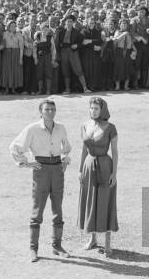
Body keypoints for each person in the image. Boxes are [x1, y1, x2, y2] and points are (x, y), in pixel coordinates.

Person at [9, 99, 72, 263]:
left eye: (52, 109)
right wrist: (26, 163)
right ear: (41, 112)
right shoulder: (32, 129)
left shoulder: (61, 128)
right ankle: (33, 248)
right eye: (47, 110)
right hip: (41, 170)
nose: (50, 112)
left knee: (58, 208)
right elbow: (15, 147)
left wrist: (64, 161)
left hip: (57, 170)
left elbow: (66, 148)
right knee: (37, 209)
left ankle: (57, 246)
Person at [78, 97, 118, 257]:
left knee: (105, 201)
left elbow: (115, 151)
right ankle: (93, 238)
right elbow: (83, 149)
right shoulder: (85, 125)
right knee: (90, 201)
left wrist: (114, 173)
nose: (93, 111)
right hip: (88, 166)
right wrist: (80, 170)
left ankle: (108, 243)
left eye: (96, 108)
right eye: (91, 108)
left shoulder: (111, 128)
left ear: (103, 110)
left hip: (105, 167)